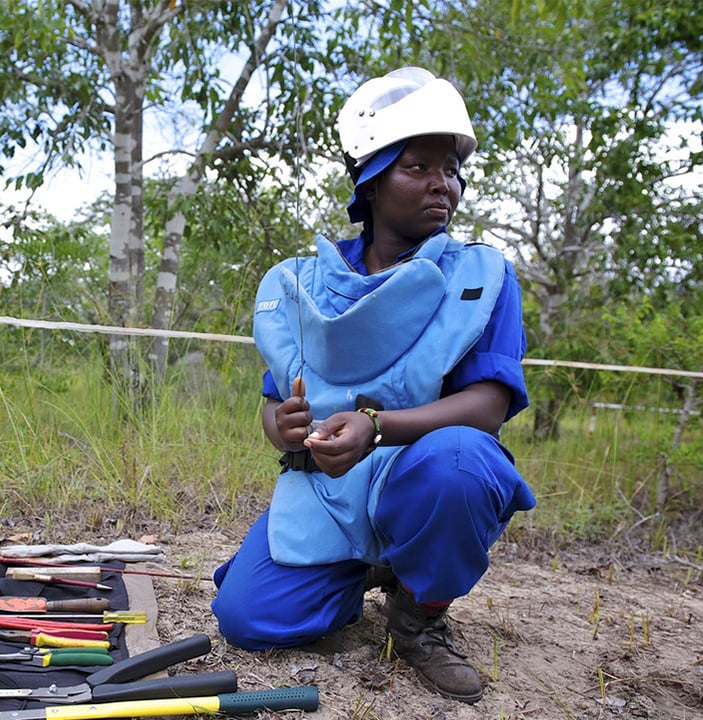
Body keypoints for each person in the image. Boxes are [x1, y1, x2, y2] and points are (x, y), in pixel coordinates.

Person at [210, 67, 537, 704]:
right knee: (247, 620)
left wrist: (378, 427)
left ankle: (418, 616)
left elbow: (488, 406)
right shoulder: (305, 283)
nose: (443, 183)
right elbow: (275, 403)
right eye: (419, 167)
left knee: (463, 463)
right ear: (372, 180)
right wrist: (284, 426)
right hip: (327, 488)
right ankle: (368, 569)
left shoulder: (481, 278)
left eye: (451, 170)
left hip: (422, 474)